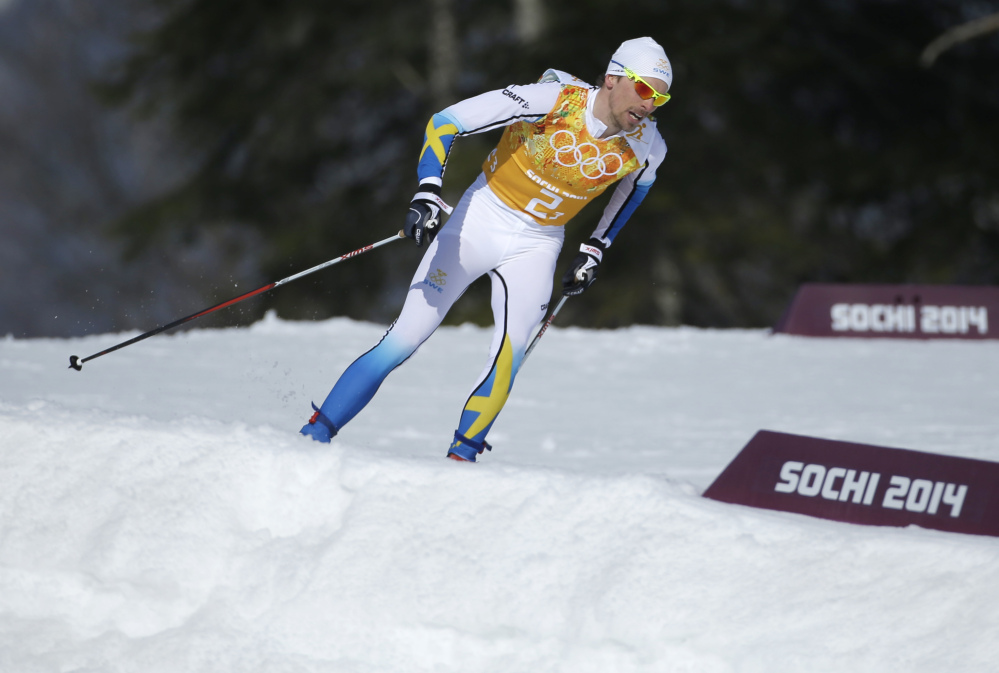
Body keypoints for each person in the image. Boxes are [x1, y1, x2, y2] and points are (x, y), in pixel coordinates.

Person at [300, 37, 671, 461]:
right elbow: (446, 121)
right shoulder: (554, 99)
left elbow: (634, 191)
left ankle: (463, 458)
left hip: (538, 244)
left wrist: (596, 247)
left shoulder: (648, 145)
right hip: (480, 220)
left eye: (660, 97)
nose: (649, 104)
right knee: (405, 337)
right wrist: (427, 192)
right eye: (644, 89)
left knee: (511, 353)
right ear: (612, 78)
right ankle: (317, 434)